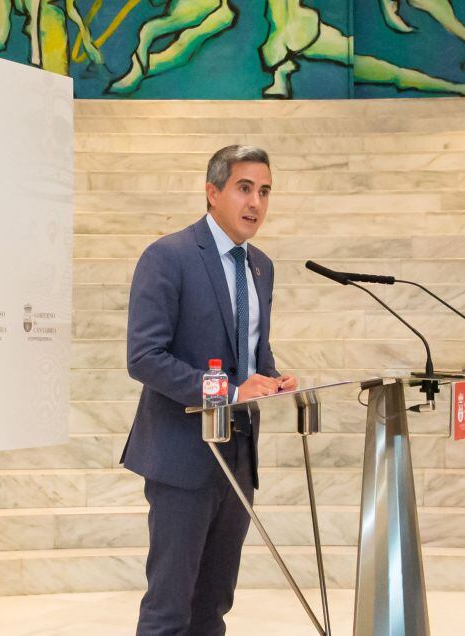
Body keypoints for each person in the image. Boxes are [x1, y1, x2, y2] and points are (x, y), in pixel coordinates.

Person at [121, 145, 297, 635]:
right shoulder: (169, 256)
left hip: (238, 460)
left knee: (214, 605)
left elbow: (253, 359)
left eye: (264, 191)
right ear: (212, 191)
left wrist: (274, 378)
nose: (256, 203)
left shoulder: (261, 266)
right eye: (244, 188)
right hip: (183, 459)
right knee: (169, 609)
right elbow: (145, 358)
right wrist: (230, 392)